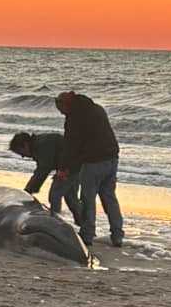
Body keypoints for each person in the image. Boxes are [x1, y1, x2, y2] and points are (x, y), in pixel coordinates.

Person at [56, 91, 124, 247]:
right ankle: (117, 235)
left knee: (88, 198)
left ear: (66, 104)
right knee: (109, 197)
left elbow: (71, 146)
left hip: (93, 161)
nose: (60, 112)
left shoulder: (74, 118)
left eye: (60, 108)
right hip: (112, 158)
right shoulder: (97, 109)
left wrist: (64, 168)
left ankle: (88, 234)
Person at [9, 131, 82, 224]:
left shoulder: (41, 145)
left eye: (21, 152)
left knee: (55, 195)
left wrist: (28, 191)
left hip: (70, 167)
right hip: (74, 164)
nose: (23, 156)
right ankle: (84, 226)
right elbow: (42, 169)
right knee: (71, 198)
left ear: (25, 145)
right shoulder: (39, 144)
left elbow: (43, 170)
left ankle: (55, 224)